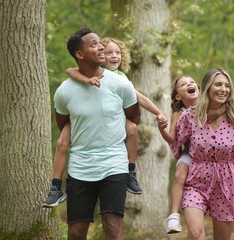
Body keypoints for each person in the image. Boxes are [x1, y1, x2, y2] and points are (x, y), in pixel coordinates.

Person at [52, 28, 140, 239]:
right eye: (94, 44)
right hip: (80, 167)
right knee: (75, 232)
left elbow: (134, 117)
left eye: (100, 43)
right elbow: (63, 123)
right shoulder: (64, 91)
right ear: (79, 55)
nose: (101, 47)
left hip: (114, 164)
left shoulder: (120, 84)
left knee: (112, 226)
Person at [165, 68, 234, 239]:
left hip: (226, 183)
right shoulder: (190, 116)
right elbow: (176, 141)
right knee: (196, 234)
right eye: (218, 84)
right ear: (207, 88)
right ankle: (174, 217)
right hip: (196, 180)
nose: (223, 89)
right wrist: (179, 156)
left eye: (227, 86)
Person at [65, 37, 165, 194]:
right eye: (109, 52)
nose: (114, 56)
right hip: (96, 125)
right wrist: (87, 80)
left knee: (132, 128)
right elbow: (70, 71)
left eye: (118, 53)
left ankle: (131, 171)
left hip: (117, 120)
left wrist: (158, 113)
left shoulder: (121, 77)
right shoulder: (92, 74)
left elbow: (139, 97)